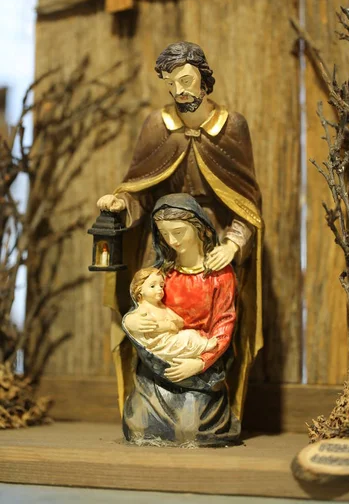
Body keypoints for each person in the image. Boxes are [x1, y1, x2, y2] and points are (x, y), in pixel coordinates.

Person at [97, 42, 263, 421]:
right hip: (162, 235)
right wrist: (124, 202)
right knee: (157, 306)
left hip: (213, 239)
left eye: (186, 80)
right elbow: (141, 185)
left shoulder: (232, 126)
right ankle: (156, 394)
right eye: (171, 83)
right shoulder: (158, 125)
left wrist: (234, 243)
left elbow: (247, 201)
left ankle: (207, 386)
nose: (179, 90)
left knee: (214, 312)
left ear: (205, 79)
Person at [122, 194, 239, 446]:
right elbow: (143, 307)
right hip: (158, 367)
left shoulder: (219, 274)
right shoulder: (161, 273)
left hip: (200, 369)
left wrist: (199, 363)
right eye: (164, 234)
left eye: (178, 232)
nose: (172, 241)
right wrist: (130, 323)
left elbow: (224, 324)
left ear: (200, 229)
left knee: (191, 431)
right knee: (138, 425)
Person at [123, 267, 218, 362]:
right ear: (139, 290)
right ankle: (204, 346)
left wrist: (174, 323)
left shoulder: (162, 307)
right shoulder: (143, 309)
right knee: (188, 336)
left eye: (161, 286)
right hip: (161, 346)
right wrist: (168, 325)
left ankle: (201, 348)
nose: (159, 289)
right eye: (152, 286)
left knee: (191, 334)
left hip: (171, 339)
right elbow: (141, 323)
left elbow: (180, 322)